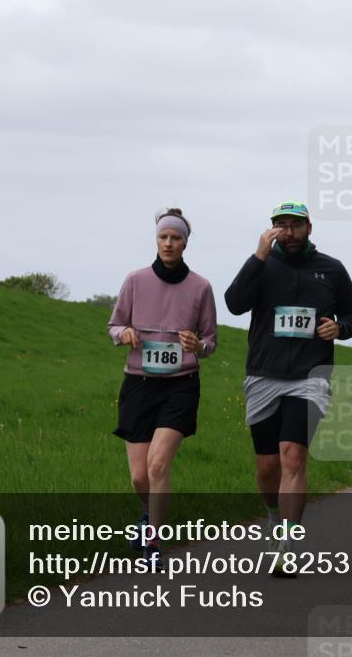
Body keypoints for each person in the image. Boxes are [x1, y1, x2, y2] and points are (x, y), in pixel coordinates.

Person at [224, 200, 352, 577]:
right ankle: (274, 516)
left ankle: (287, 543)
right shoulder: (263, 264)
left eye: (296, 225)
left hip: (310, 375)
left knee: (293, 455)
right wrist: (257, 256)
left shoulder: (331, 269)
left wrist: (340, 328)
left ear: (309, 228)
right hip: (264, 374)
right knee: (267, 466)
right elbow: (234, 304)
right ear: (272, 229)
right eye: (281, 225)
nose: (289, 232)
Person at [108, 208, 217, 568]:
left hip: (180, 386)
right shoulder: (135, 280)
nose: (168, 243)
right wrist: (124, 333)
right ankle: (148, 513)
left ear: (185, 243)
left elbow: (211, 341)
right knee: (140, 476)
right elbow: (113, 325)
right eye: (163, 237)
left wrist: (198, 345)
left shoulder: (201, 287)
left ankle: (153, 542)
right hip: (138, 383)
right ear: (156, 240)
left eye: (175, 238)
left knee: (157, 466)